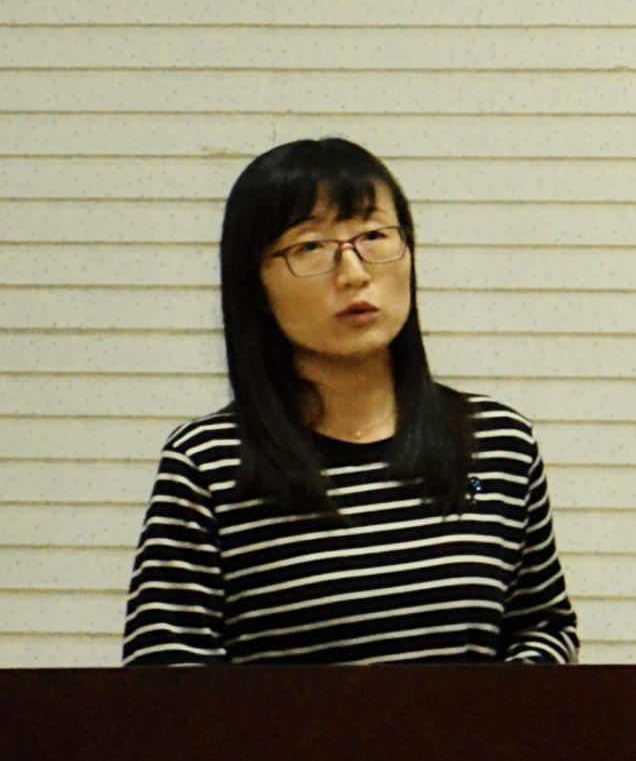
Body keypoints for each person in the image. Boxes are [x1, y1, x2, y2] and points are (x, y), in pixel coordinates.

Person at [120, 137, 579, 666]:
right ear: (255, 286)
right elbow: (166, 667)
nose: (355, 273)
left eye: (375, 236)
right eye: (310, 247)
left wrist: (495, 703)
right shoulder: (208, 463)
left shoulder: (496, 443)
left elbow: (543, 626)